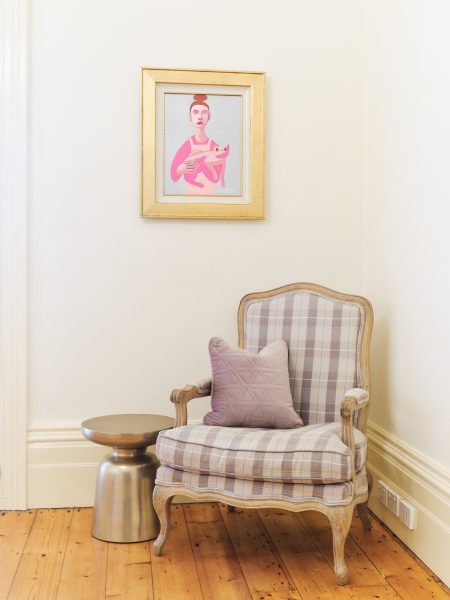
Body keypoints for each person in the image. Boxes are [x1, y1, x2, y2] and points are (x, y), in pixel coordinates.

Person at [170, 94, 230, 195]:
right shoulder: (187, 145)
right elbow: (173, 176)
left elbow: (216, 178)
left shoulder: (213, 145)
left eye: (204, 112)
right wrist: (179, 170)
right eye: (195, 112)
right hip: (190, 196)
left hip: (211, 196)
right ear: (190, 117)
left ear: (209, 116)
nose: (200, 117)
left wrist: (205, 162)